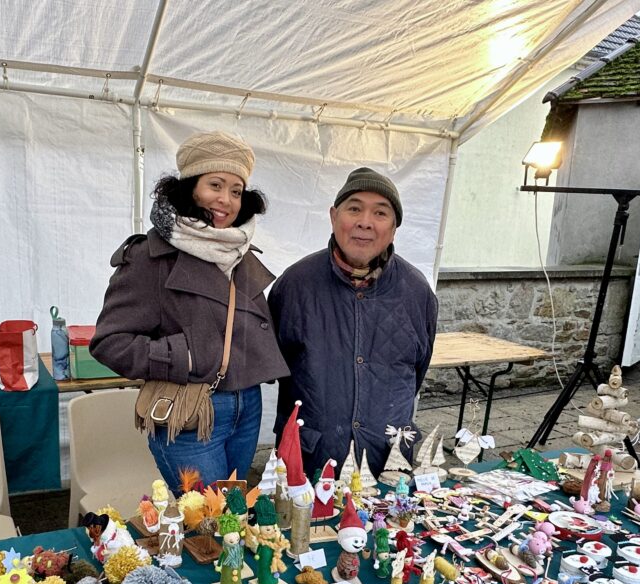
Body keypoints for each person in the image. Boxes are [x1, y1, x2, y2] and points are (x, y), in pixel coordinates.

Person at [91, 131, 289, 489]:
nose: (226, 200)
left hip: (248, 407)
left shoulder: (238, 251)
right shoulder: (150, 257)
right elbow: (109, 342)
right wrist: (183, 356)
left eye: (236, 190)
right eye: (215, 184)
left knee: (231, 516)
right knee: (208, 526)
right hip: (191, 411)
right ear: (189, 187)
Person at [268, 167, 438, 478]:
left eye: (380, 212)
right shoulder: (294, 286)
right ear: (334, 216)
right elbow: (276, 365)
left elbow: (417, 371)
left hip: (387, 463)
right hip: (310, 462)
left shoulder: (417, 291)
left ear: (395, 227)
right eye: (354, 208)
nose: (365, 222)